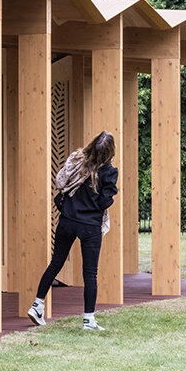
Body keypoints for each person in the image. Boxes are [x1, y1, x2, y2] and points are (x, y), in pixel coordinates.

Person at [28, 130, 119, 330]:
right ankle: (88, 320)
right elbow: (105, 201)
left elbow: (60, 181)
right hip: (90, 227)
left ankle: (37, 304)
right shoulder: (109, 172)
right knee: (90, 274)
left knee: (56, 263)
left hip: (67, 221)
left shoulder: (77, 160)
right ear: (110, 152)